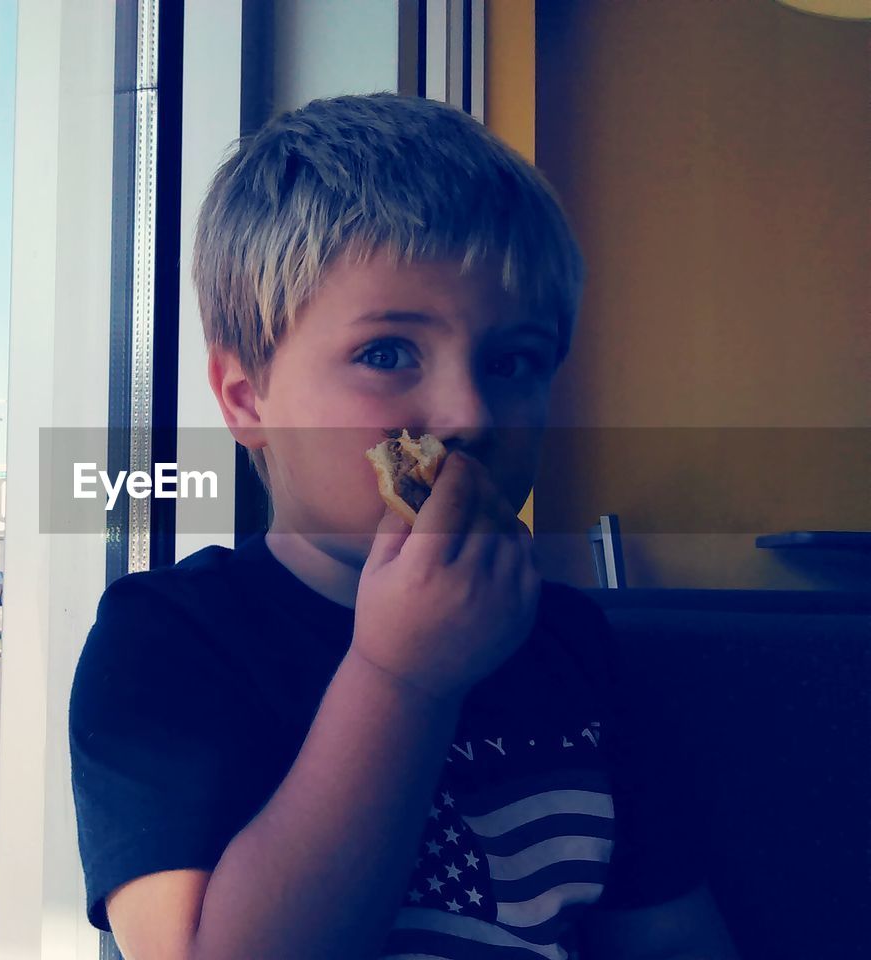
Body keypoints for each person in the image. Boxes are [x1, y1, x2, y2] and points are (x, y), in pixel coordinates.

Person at [69, 94, 739, 960]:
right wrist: (402, 679)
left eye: (513, 362)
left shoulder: (574, 645)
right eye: (387, 353)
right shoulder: (167, 642)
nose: (466, 414)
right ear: (246, 399)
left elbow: (671, 936)